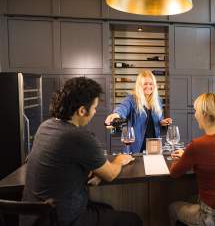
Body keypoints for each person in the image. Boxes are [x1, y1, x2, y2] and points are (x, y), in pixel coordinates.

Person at [20, 77, 142, 226]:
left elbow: (62, 165)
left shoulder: (45, 126)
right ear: (82, 110)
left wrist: (89, 173)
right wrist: (120, 159)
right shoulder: (80, 137)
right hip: (63, 219)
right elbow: (110, 174)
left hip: (33, 218)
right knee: (133, 220)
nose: (95, 111)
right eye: (95, 107)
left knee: (107, 208)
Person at [168, 93, 215, 226]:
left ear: (204, 114)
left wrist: (181, 157)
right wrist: (188, 155)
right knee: (191, 197)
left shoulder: (197, 145)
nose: (195, 115)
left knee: (173, 207)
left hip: (214, 217)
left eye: (196, 111)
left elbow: (174, 172)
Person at [105, 70, 172, 153]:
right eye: (145, 84)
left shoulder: (157, 100)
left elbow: (159, 118)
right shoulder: (131, 99)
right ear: (139, 85)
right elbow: (123, 107)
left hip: (154, 144)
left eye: (151, 84)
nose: (148, 86)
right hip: (136, 145)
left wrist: (162, 122)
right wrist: (116, 114)